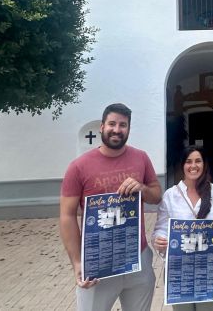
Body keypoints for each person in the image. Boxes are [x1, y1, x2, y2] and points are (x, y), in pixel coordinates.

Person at [59, 103, 162, 311]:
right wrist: (78, 262)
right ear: (102, 126)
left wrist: (142, 188)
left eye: (123, 125)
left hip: (137, 258)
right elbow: (67, 216)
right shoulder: (79, 166)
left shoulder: (140, 157)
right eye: (112, 124)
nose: (117, 129)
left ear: (129, 129)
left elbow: (156, 195)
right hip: (99, 262)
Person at [152, 146, 213, 311]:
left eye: (198, 161)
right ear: (182, 165)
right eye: (188, 161)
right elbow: (161, 228)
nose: (193, 165)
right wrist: (159, 240)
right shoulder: (170, 195)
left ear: (204, 164)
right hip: (178, 268)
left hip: (209, 268)